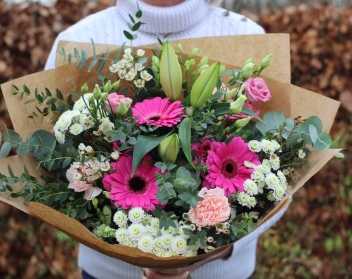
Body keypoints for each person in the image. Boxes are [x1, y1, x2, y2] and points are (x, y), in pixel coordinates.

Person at [44, 0, 287, 278]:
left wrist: (223, 244)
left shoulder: (249, 36)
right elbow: (51, 166)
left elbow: (284, 173)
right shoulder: (78, 41)